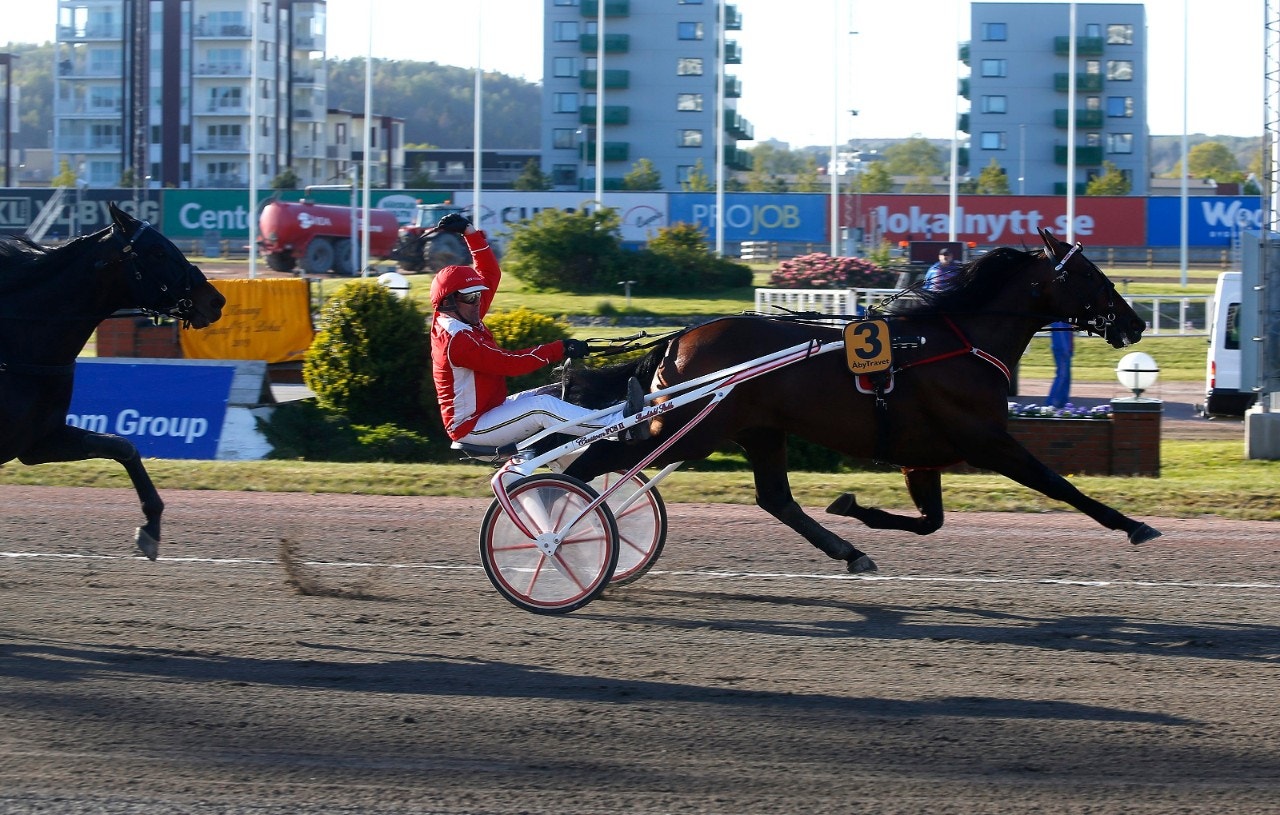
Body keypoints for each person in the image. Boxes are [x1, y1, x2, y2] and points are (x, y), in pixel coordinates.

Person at [429, 213, 648, 452]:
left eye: (478, 294)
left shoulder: (464, 314)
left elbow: (491, 274)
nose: (477, 302)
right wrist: (559, 348)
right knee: (541, 406)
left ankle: (613, 411)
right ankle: (617, 426)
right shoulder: (456, 340)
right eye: (471, 297)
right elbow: (509, 364)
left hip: (492, 410)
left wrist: (470, 233)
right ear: (448, 302)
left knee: (554, 392)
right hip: (472, 427)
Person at [1046, 321, 1074, 409]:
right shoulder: (1059, 320)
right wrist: (1066, 350)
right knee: (1062, 376)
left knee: (1066, 377)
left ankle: (1063, 403)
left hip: (1066, 350)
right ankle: (1051, 404)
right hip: (1062, 350)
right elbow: (1060, 334)